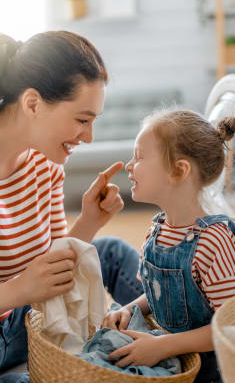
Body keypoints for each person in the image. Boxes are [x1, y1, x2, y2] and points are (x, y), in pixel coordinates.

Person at [0, 31, 143, 381]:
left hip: (34, 316)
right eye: (82, 120)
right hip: (7, 328)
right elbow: (35, 282)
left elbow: (54, 261)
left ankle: (161, 335)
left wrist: (90, 221)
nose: (89, 137)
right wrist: (18, 290)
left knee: (108, 251)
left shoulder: (46, 165)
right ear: (33, 104)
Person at [102, 109, 235, 382]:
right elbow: (159, 293)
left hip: (213, 370)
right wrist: (129, 309)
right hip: (170, 357)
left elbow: (233, 325)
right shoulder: (157, 230)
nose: (129, 165)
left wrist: (162, 346)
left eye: (140, 156)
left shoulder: (214, 242)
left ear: (179, 170)